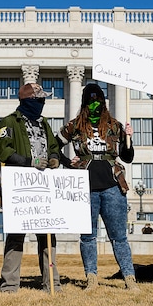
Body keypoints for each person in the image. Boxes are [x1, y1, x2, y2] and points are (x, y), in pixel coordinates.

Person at [56, 83, 138, 291]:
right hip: (84, 187)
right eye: (91, 101)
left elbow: (127, 158)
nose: (95, 104)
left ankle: (130, 278)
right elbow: (53, 146)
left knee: (119, 236)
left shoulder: (114, 125)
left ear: (104, 102)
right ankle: (91, 277)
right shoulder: (74, 126)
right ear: (84, 103)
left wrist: (129, 138)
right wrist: (67, 162)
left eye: (98, 100)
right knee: (88, 236)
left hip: (113, 186)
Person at [0, 82, 61, 293]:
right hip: (21, 186)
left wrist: (54, 158)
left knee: (48, 234)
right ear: (28, 101)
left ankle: (51, 283)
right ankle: (10, 285)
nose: (43, 103)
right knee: (16, 235)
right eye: (39, 99)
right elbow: (3, 151)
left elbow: (53, 147)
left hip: (44, 186)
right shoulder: (8, 122)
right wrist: (29, 162)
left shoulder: (44, 124)